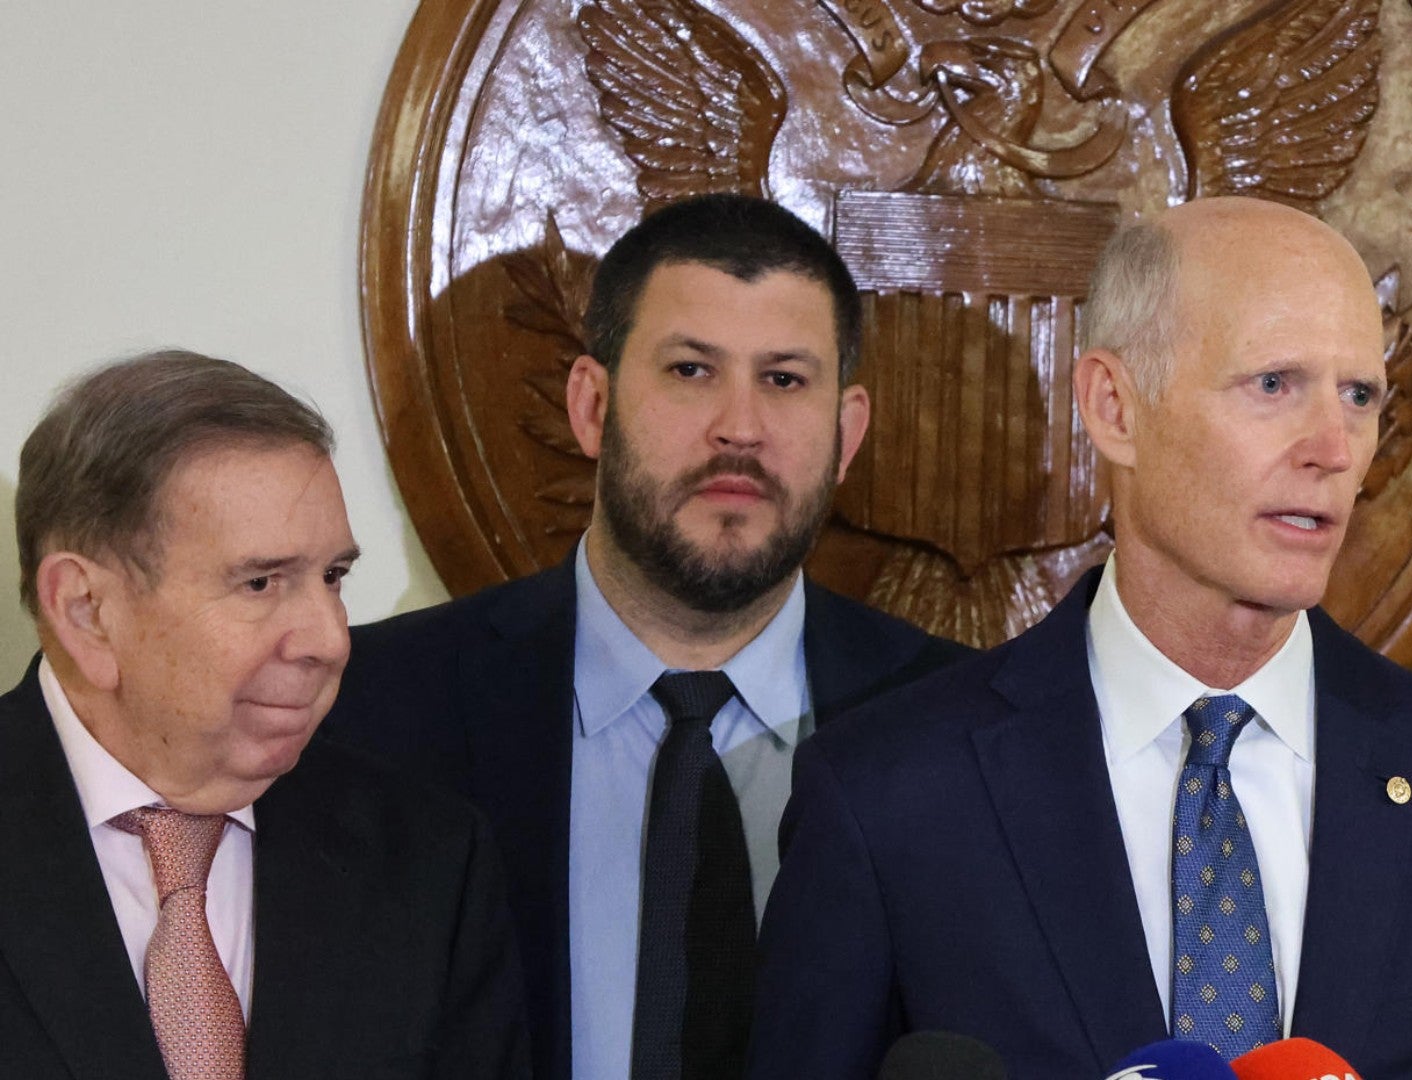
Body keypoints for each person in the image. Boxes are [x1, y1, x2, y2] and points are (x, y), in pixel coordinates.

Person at [748, 197, 1412, 1079]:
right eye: (1273, 385)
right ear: (1114, 406)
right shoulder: (891, 796)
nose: (1334, 448)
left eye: (1360, 395)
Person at [327, 193, 969, 1080]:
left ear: (845, 432)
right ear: (591, 407)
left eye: (784, 379)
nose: (739, 428)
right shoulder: (372, 712)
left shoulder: (960, 728)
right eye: (691, 371)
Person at [0, 351, 528, 1079]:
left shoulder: (428, 858)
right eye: (259, 582)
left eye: (333, 577)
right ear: (86, 611)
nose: (330, 639)